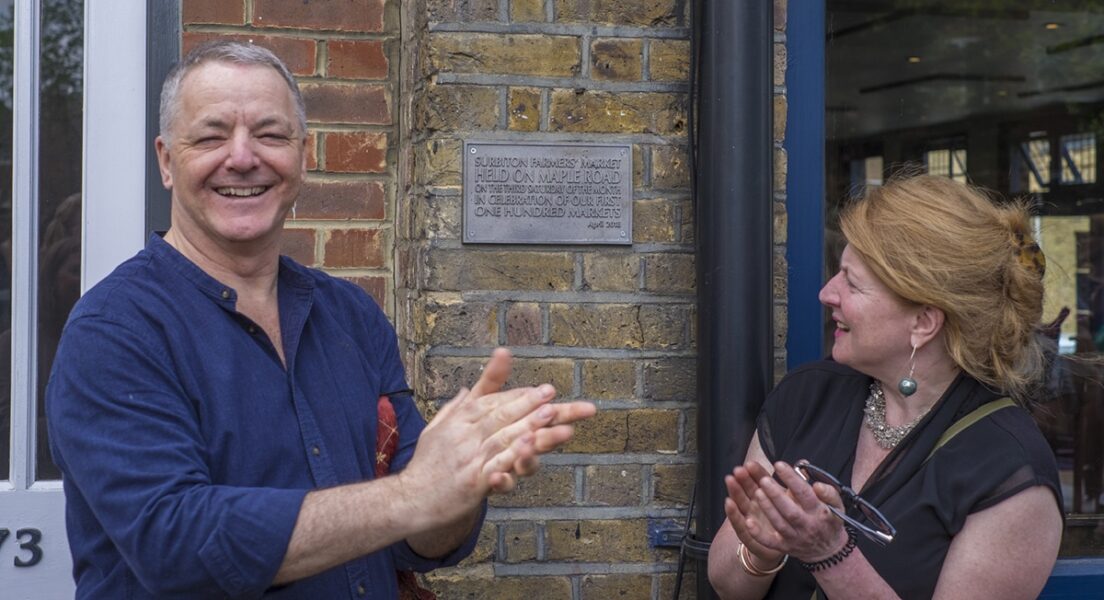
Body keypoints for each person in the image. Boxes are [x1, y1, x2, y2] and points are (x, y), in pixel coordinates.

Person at [45, 40, 595, 599]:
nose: (242, 157)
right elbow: (177, 545)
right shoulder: (115, 331)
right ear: (166, 160)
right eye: (211, 135)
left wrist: (460, 484)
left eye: (270, 134)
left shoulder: (350, 316)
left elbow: (418, 543)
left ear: (303, 157)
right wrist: (411, 495)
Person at [707, 174, 1063, 599]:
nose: (826, 293)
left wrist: (831, 553)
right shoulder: (808, 396)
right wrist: (761, 551)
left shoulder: (1010, 469)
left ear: (923, 322)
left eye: (852, 283)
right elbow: (726, 585)